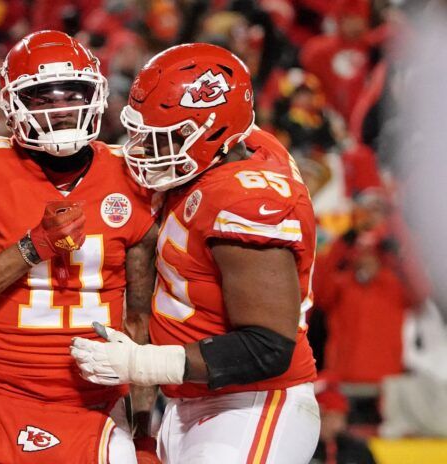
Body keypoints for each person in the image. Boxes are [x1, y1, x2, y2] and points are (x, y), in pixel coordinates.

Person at [71, 43, 320, 463]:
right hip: (191, 400)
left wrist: (143, 365)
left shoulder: (245, 198)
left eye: (160, 138)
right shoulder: (232, 150)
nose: (144, 150)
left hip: (253, 404)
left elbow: (268, 348)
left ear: (209, 134)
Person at [0, 30, 158, 464]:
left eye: (73, 94)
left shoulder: (131, 175)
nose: (62, 109)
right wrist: (32, 248)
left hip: (100, 404)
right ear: (13, 104)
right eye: (44, 98)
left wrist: (145, 424)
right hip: (9, 397)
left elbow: (140, 319)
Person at [311, 375, 376, 464]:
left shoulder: (357, 449)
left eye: (341, 418)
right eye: (331, 418)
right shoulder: (304, 448)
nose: (337, 425)